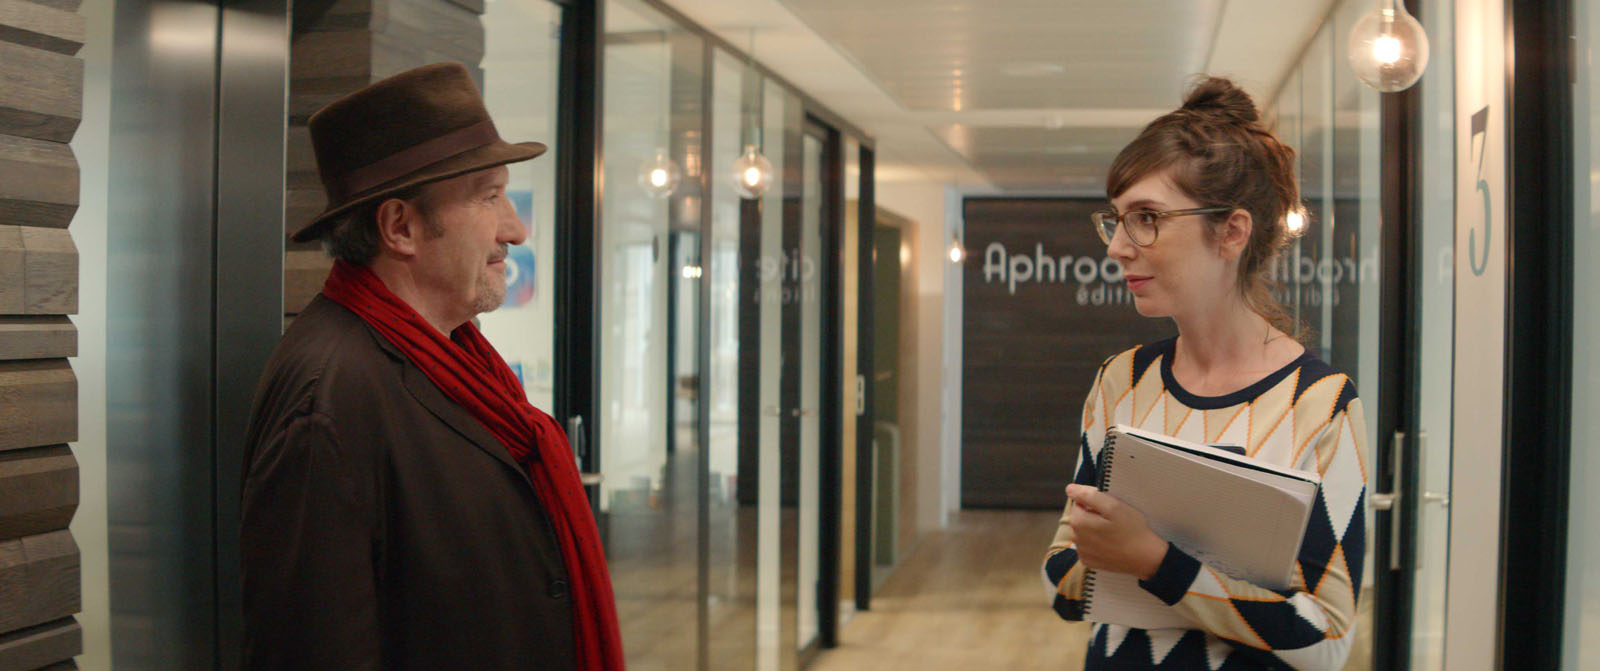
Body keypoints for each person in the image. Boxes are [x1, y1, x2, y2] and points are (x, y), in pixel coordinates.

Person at [241, 62, 623, 671]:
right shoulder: (330, 397)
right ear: (401, 227)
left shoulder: (453, 360)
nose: (515, 230)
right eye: (490, 197)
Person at [1042, 76, 1367, 670]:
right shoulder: (1122, 379)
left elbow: (1325, 641)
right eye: (1116, 220)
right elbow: (1060, 582)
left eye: (1147, 217)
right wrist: (1145, 563)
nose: (1117, 247)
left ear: (1233, 232)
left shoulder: (1321, 404)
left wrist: (1153, 560)